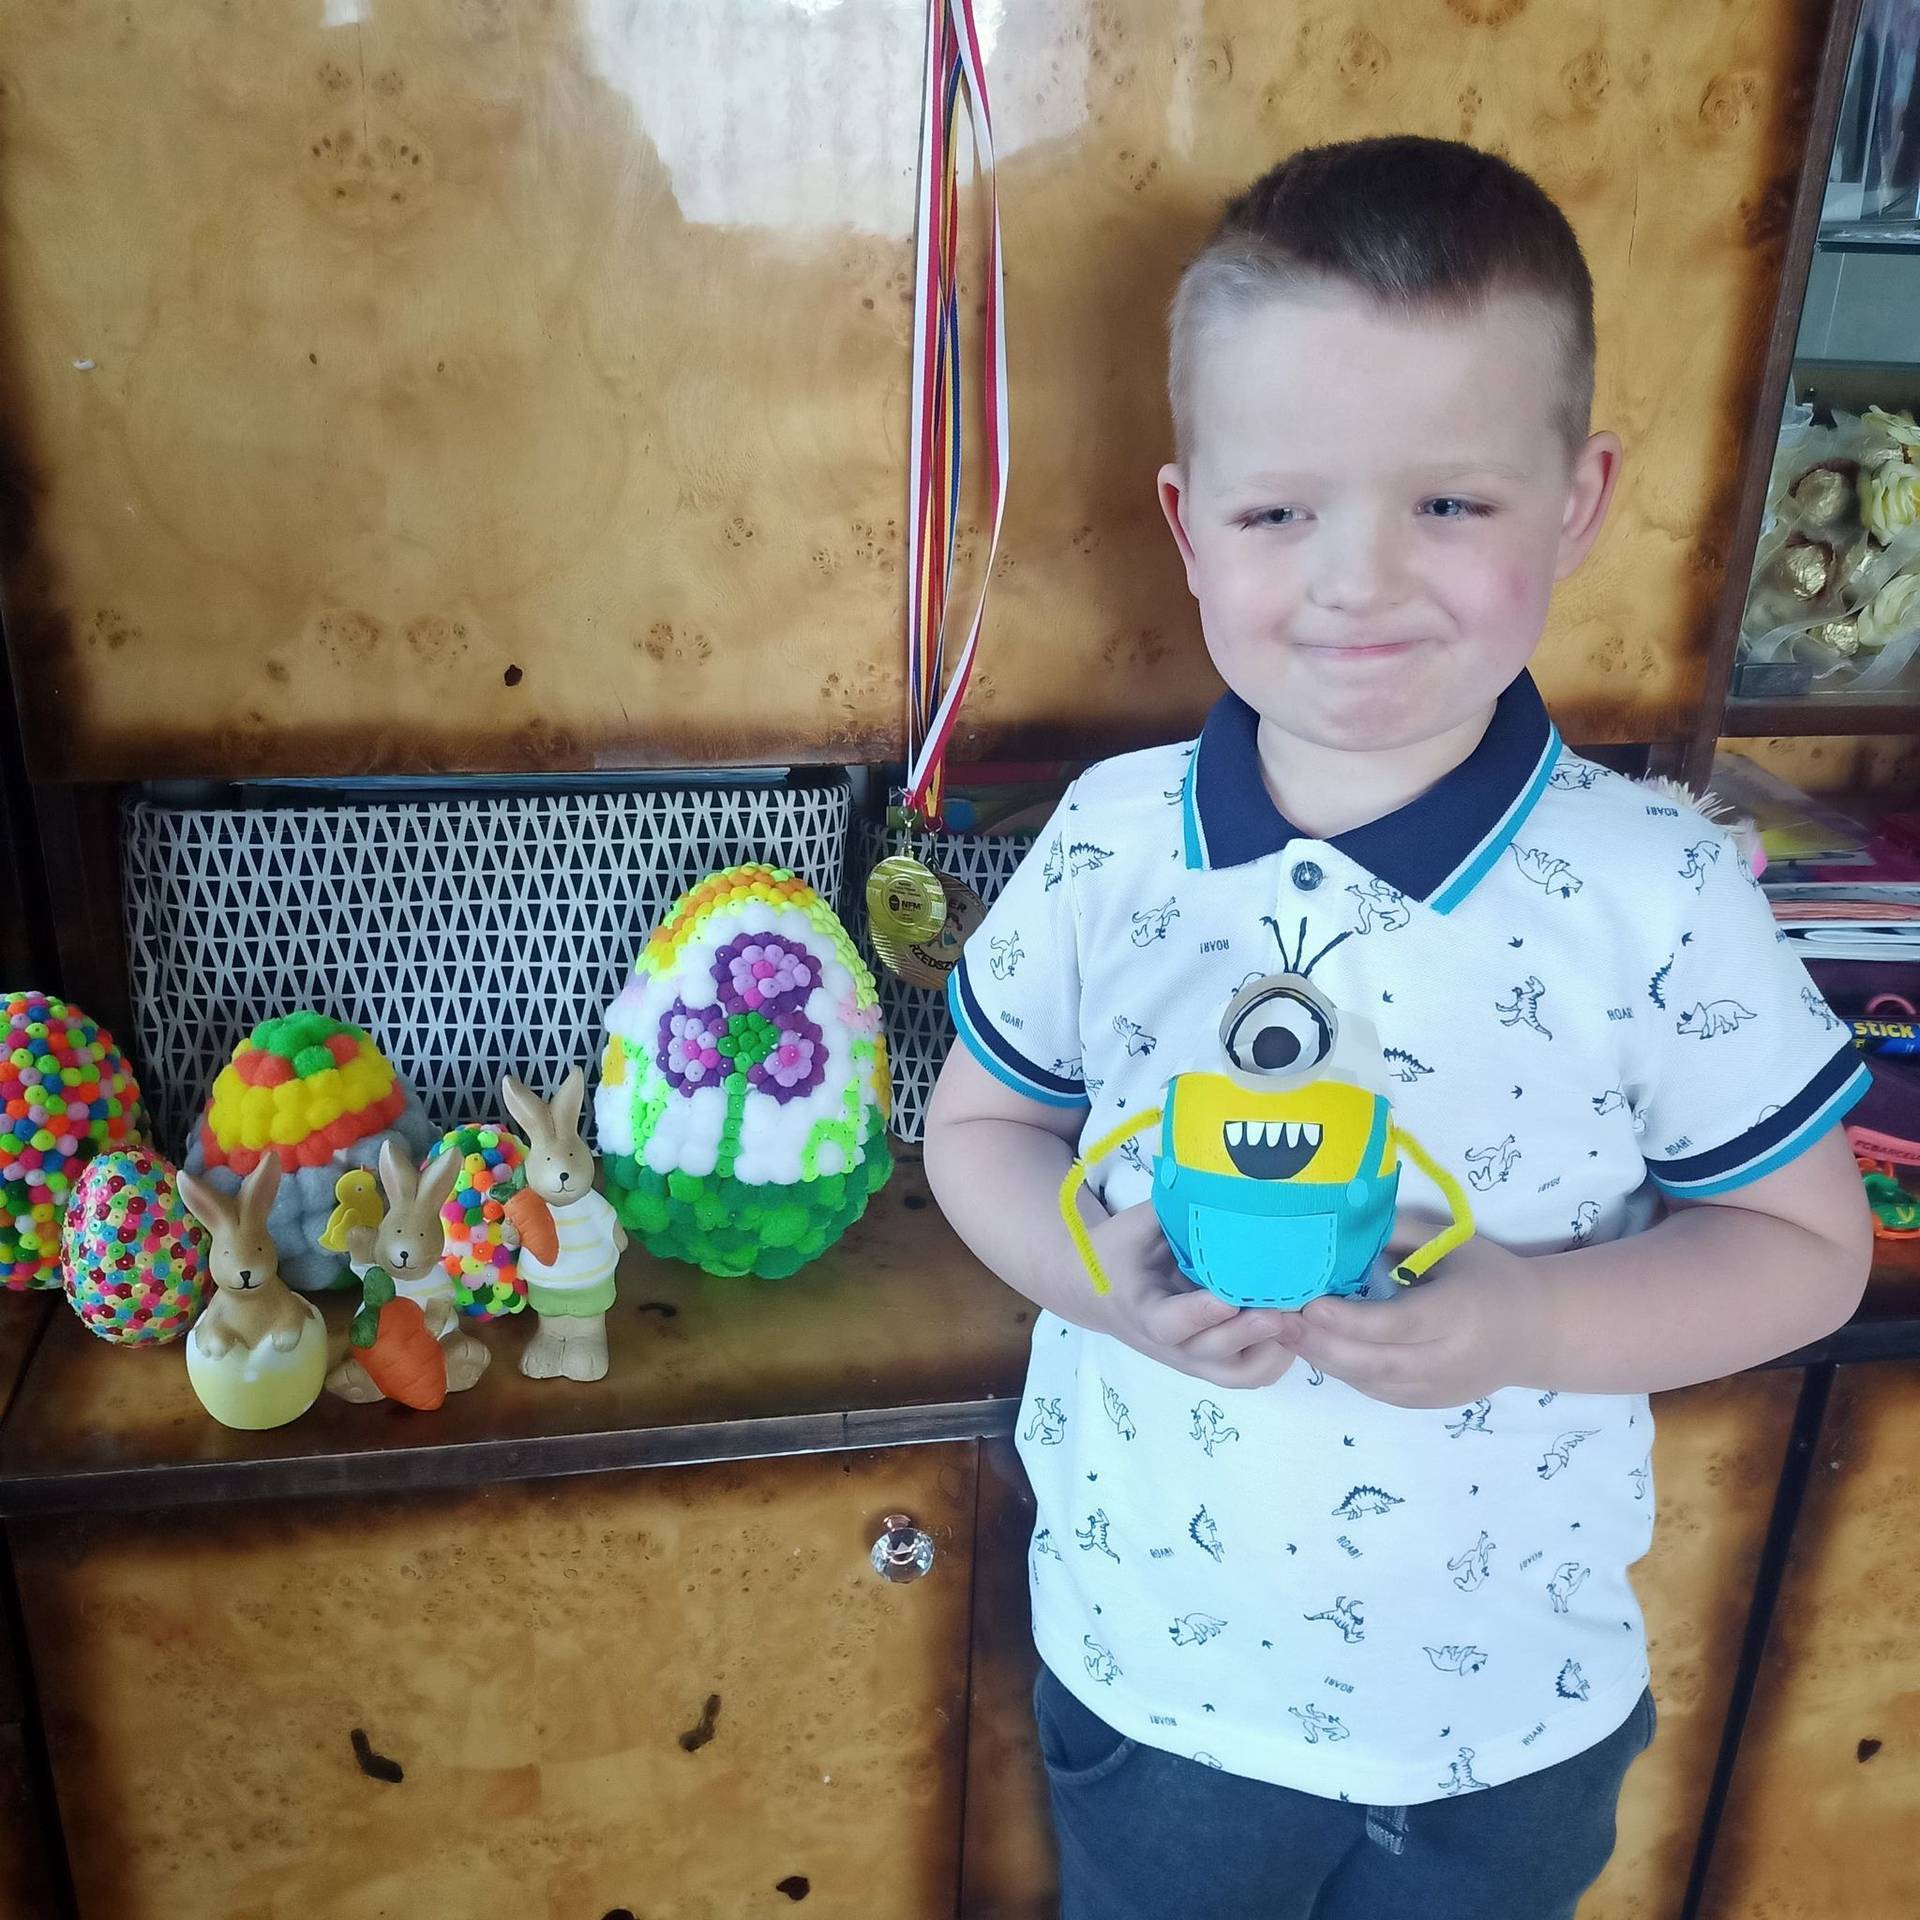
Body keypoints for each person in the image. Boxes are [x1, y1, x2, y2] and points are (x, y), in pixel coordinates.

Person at [921, 134, 1872, 1920]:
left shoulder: (1659, 882)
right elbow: (977, 1128)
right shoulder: (1113, 841)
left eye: (1449, 504)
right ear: (1189, 523)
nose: (1358, 580)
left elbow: (1809, 1252)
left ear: (1576, 501)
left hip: (1508, 1730)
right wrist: (1096, 1279)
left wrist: (1532, 1319)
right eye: (1279, 513)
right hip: (1157, 1689)